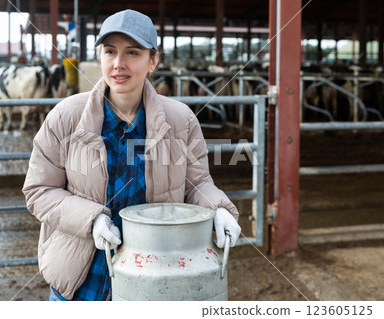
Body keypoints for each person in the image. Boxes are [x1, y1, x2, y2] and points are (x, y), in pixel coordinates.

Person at [22, 9, 241, 301]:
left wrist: (219, 208)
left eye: (133, 53)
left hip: (156, 278)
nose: (118, 64)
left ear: (153, 61)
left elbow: (196, 184)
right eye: (110, 51)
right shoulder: (66, 117)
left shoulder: (180, 120)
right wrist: (92, 220)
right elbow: (39, 190)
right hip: (82, 282)